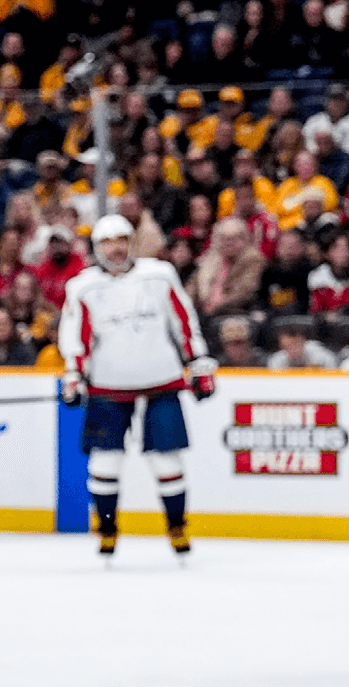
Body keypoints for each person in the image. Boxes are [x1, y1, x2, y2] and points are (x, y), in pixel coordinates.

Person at [58, 215, 218, 561]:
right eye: (107, 242)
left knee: (167, 460)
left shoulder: (159, 275)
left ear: (131, 242)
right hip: (107, 387)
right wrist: (74, 374)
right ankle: (107, 528)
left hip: (161, 382)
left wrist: (199, 363)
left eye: (121, 240)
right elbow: (77, 338)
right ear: (96, 248)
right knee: (105, 463)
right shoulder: (82, 287)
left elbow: (184, 322)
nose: (115, 248)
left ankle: (177, 526)